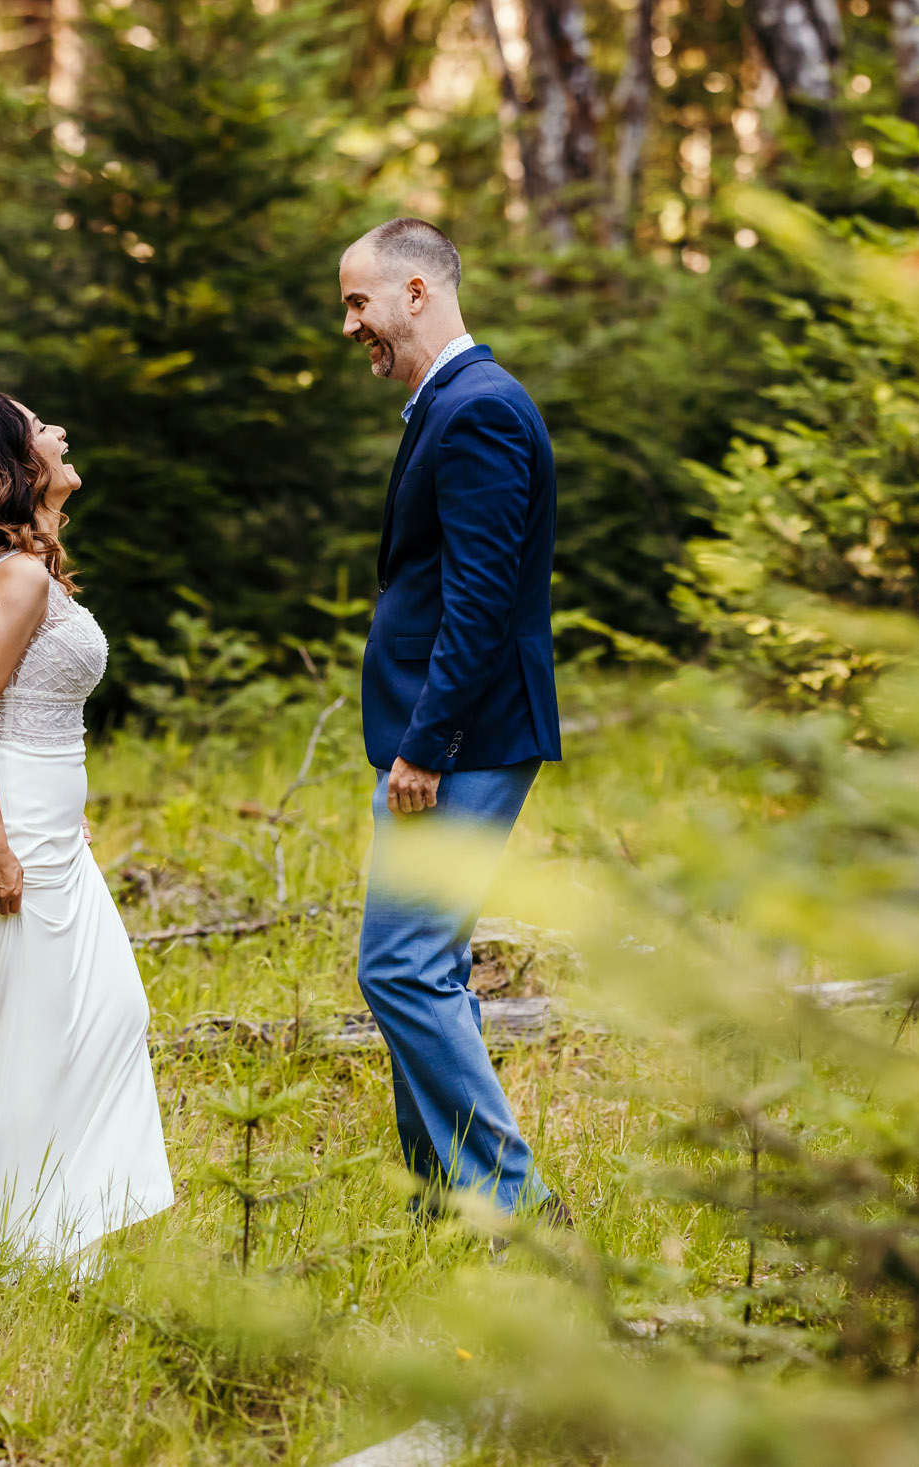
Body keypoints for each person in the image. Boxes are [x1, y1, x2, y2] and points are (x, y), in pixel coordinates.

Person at [0, 391, 173, 1272]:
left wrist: (62, 817)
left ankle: (60, 1230)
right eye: (38, 427)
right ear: (9, 466)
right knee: (35, 1029)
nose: (59, 429)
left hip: (49, 824)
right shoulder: (16, 576)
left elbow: (33, 711)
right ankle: (2, 1253)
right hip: (6, 823)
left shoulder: (28, 565)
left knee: (110, 1011)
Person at [338, 218, 567, 1224]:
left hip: (463, 741)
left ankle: (518, 1213)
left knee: (398, 965)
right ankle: (443, 1207)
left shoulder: (476, 410)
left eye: (358, 303)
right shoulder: (452, 404)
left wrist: (425, 745)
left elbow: (478, 597)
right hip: (448, 737)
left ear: (417, 293)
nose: (349, 326)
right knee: (424, 969)